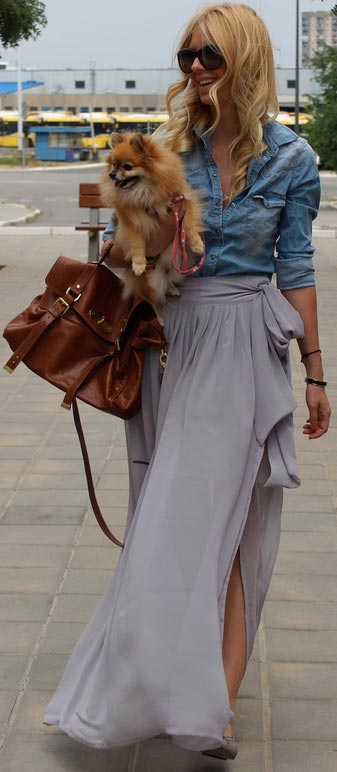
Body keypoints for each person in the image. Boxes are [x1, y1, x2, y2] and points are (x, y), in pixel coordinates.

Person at [44, 3, 331, 760]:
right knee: (167, 521)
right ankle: (155, 686)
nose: (196, 70)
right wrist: (154, 232)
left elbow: (295, 267)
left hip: (244, 342)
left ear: (243, 59)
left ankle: (215, 708)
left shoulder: (292, 160)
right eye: (186, 59)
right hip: (169, 339)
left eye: (209, 55)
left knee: (234, 525)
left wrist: (314, 371)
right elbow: (118, 255)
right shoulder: (164, 147)